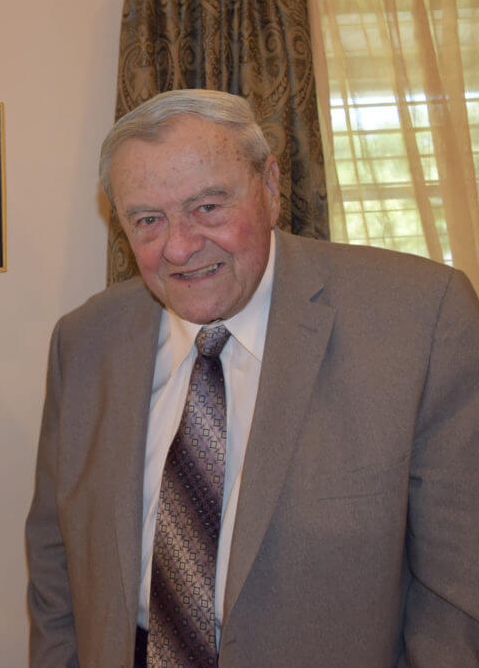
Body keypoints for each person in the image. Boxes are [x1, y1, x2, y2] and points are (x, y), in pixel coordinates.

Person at [25, 89, 479, 667]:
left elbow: (460, 591)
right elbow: (56, 557)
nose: (181, 247)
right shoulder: (84, 341)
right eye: (148, 220)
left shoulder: (420, 318)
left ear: (270, 187)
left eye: (208, 207)